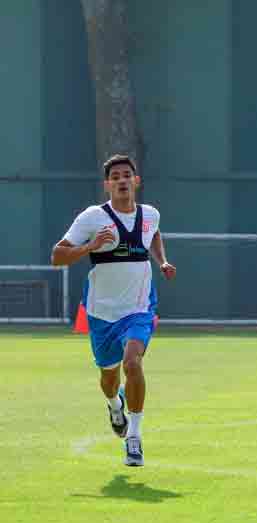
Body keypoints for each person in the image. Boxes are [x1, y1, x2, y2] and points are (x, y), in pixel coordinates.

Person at [51, 154, 175, 467]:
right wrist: (89, 247)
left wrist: (161, 261)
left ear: (136, 181)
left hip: (139, 308)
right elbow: (57, 256)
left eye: (126, 175)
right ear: (107, 184)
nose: (121, 180)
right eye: (115, 176)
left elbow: (154, 234)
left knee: (133, 364)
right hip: (102, 312)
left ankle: (134, 438)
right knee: (109, 377)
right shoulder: (93, 217)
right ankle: (113, 404)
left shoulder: (151, 215)